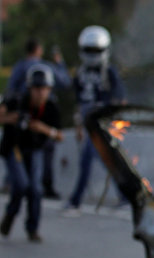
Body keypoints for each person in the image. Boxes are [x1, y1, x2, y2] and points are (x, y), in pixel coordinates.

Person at [64, 25, 126, 215]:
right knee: (104, 161)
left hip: (102, 124)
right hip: (87, 122)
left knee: (89, 161)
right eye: (89, 51)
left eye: (95, 51)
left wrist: (114, 123)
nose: (92, 55)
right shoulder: (81, 73)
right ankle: (124, 196)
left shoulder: (109, 72)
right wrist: (78, 125)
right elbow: (78, 101)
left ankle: (75, 200)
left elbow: (119, 100)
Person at [0, 65, 65, 242]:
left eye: (43, 89)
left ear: (49, 89)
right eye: (36, 89)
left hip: (35, 149)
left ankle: (32, 228)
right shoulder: (16, 100)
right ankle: (10, 215)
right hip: (14, 147)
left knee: (35, 189)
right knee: (21, 184)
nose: (40, 93)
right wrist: (11, 118)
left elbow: (60, 136)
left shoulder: (51, 107)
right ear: (30, 89)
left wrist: (43, 129)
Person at [5, 39, 72, 199]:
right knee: (41, 150)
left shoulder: (19, 67)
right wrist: (60, 63)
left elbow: (10, 90)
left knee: (22, 148)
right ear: (38, 50)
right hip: (34, 117)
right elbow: (65, 82)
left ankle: (14, 182)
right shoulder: (45, 67)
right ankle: (43, 185)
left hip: (27, 118)